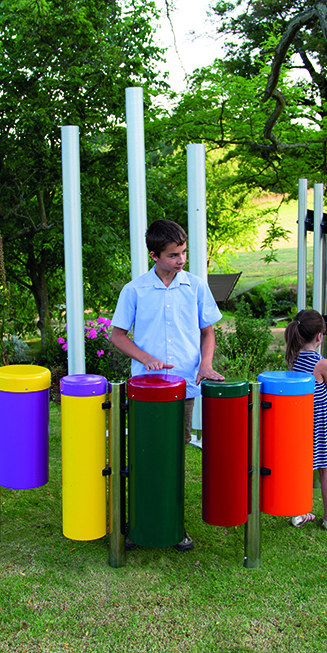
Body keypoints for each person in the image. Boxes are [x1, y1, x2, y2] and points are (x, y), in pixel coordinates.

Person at [109, 219, 224, 551]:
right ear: (154, 255)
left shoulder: (196, 286)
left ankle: (173, 524)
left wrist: (206, 364)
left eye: (184, 252)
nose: (181, 260)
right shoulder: (135, 290)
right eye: (174, 255)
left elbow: (208, 332)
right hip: (145, 391)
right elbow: (117, 336)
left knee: (173, 456)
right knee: (144, 455)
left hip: (185, 387)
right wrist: (145, 358)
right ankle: (139, 522)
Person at [284, 308, 327, 531]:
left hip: (302, 419)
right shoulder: (322, 364)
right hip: (321, 422)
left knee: (302, 466)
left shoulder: (293, 357)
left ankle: (298, 513)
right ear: (320, 336)